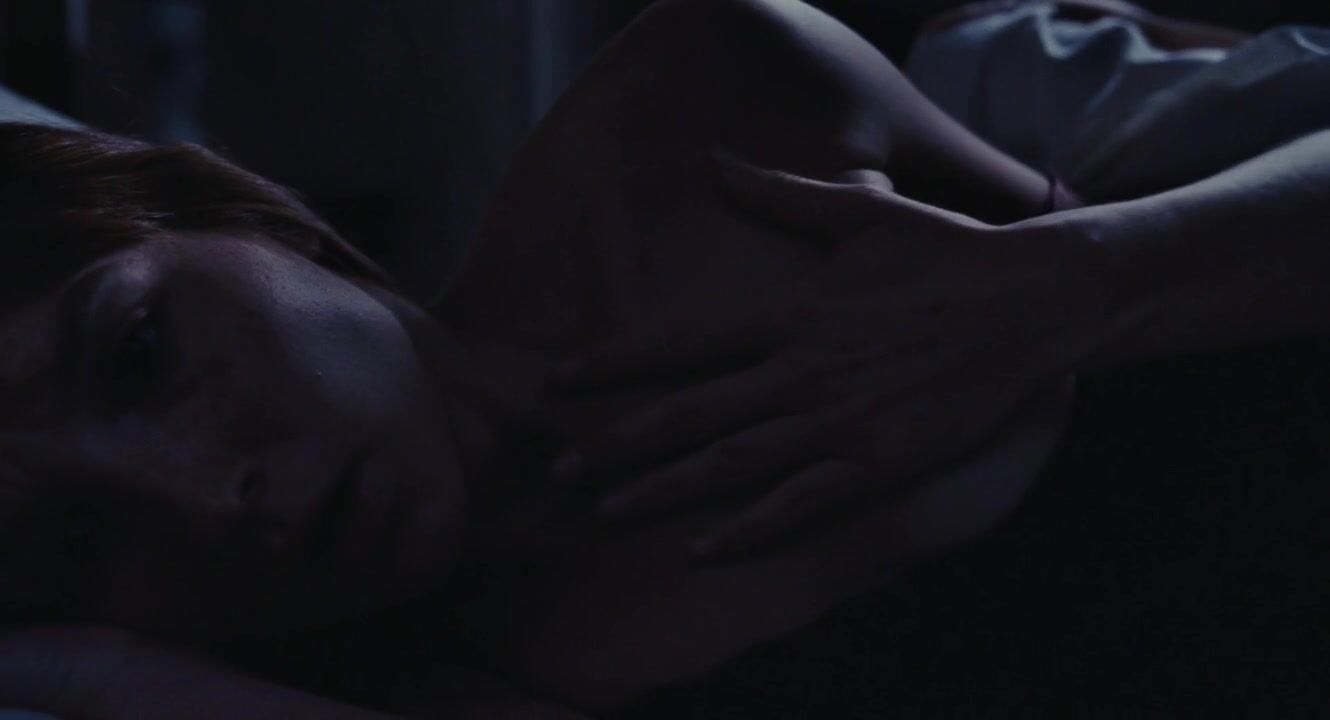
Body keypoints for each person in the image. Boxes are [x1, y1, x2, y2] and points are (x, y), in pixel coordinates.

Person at [0, 0, 1324, 717]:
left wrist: (1087, 281)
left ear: (220, 211)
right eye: (74, 542)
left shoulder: (695, 130)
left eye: (140, 354)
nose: (209, 500)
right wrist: (104, 682)